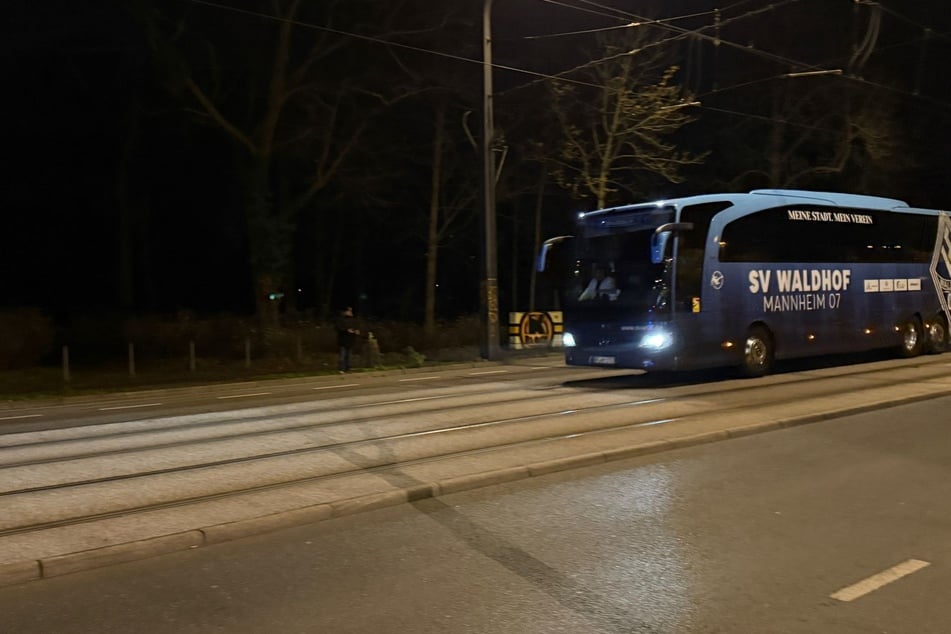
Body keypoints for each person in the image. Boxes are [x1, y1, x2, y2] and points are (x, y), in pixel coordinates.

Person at [335, 306, 360, 373]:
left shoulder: (353, 320)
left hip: (350, 340)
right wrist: (346, 330)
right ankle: (341, 368)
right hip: (343, 340)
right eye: (348, 311)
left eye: (351, 311)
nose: (350, 312)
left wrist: (356, 331)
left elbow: (356, 327)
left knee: (349, 356)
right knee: (342, 355)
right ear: (345, 312)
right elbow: (338, 328)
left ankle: (348, 368)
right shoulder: (340, 319)